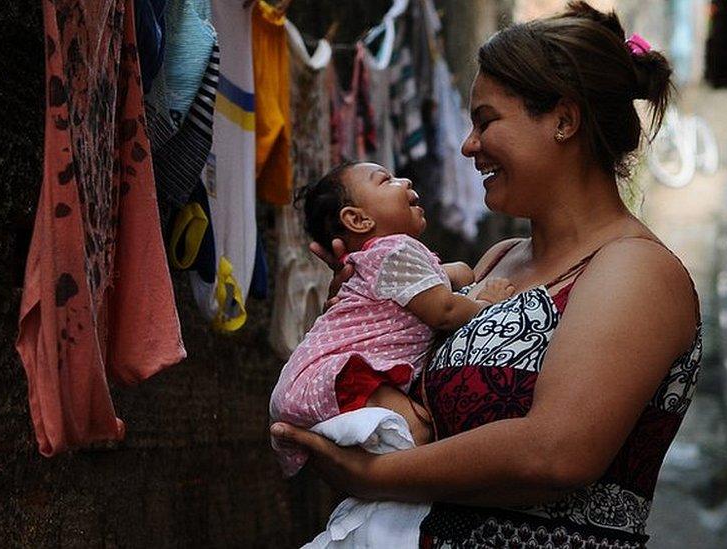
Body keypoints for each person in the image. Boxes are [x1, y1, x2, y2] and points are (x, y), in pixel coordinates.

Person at [271, 3, 703, 547]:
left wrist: (373, 477)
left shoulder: (635, 271)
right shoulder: (500, 260)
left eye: (486, 121)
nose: (467, 145)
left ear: (564, 121)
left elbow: (555, 454)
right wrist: (367, 301)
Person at [269, 160, 514, 477]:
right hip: (344, 375)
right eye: (385, 180)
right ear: (358, 219)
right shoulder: (396, 251)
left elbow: (453, 274)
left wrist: (456, 275)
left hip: (324, 380)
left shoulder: (383, 258)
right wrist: (484, 303)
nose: (406, 180)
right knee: (420, 435)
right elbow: (444, 311)